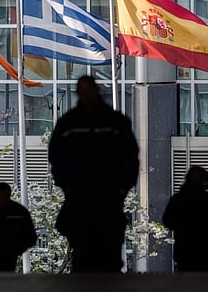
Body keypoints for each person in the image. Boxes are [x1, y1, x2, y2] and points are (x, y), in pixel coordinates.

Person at [48, 75, 139, 273]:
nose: (87, 96)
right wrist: (67, 186)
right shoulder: (69, 123)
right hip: (80, 195)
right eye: (84, 91)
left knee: (110, 254)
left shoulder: (114, 121)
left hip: (108, 195)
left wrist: (122, 188)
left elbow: (131, 156)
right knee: (82, 253)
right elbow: (56, 157)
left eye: (89, 91)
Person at [162, 165, 208, 273]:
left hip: (184, 251)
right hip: (206, 251)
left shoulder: (177, 199)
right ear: (204, 181)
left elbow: (167, 221)